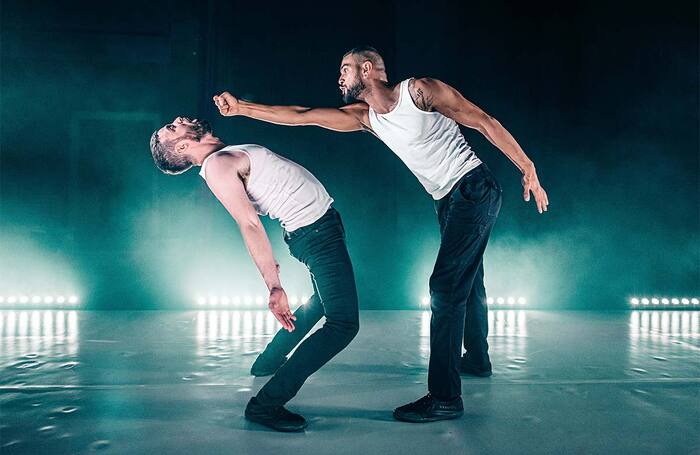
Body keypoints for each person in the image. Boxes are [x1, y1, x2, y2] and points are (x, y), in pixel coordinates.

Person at [212, 45, 549, 423]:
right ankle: (477, 359)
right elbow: (303, 116)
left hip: (473, 188)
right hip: (447, 199)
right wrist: (243, 108)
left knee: (445, 286)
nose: (339, 77)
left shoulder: (421, 91)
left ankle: (445, 398)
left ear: (367, 69)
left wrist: (527, 166)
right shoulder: (366, 117)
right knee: (468, 279)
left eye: (345, 69)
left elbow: (482, 120)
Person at [149, 117, 359, 431]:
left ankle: (269, 361)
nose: (178, 121)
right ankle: (266, 404)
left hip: (321, 228)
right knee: (343, 324)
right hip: (315, 235)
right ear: (181, 146)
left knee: (321, 303)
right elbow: (249, 224)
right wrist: (274, 286)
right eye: (172, 128)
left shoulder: (224, 154)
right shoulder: (218, 166)